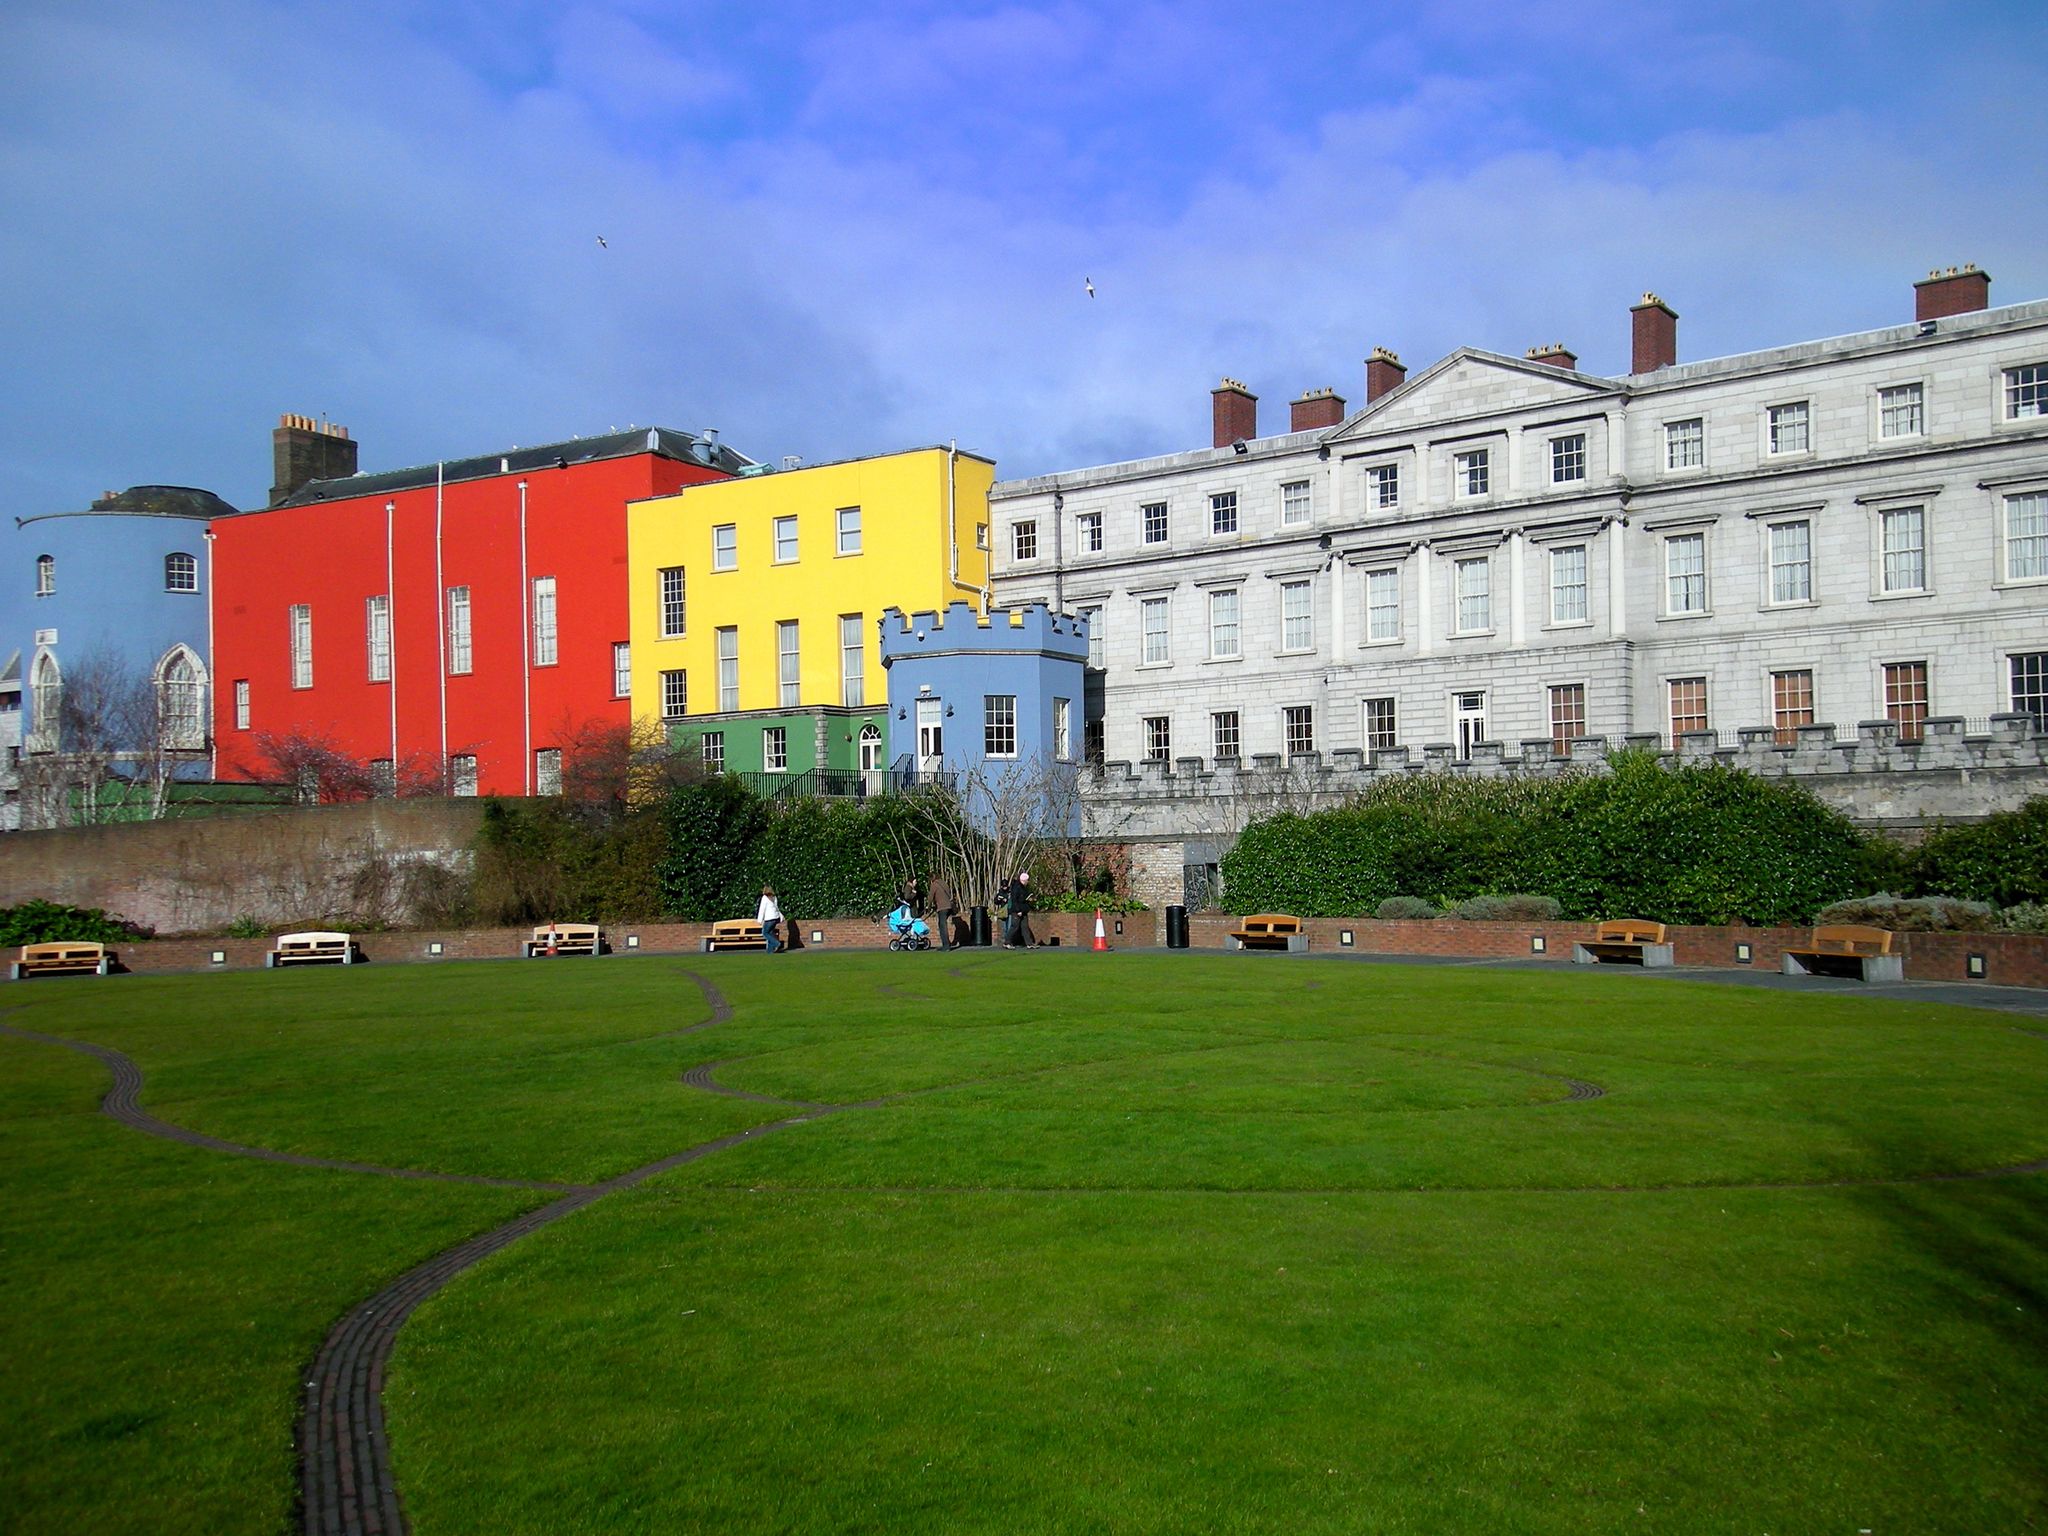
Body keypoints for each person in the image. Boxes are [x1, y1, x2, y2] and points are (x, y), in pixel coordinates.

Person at [926, 868, 958, 951]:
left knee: (942, 926)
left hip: (942, 907)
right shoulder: (944, 883)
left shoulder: (934, 884)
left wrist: (929, 907)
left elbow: (930, 897)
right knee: (942, 924)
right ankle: (946, 944)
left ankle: (946, 945)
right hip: (948, 907)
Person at [1003, 870, 1034, 949]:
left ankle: (1029, 943)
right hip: (1017, 911)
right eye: (1027, 880)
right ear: (1023, 880)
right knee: (1014, 927)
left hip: (1023, 910)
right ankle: (1007, 942)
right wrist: (1018, 910)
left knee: (1025, 927)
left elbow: (1023, 898)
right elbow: (1015, 900)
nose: (1028, 882)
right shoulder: (1017, 887)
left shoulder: (1023, 888)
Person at [757, 884, 783, 954]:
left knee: (765, 933)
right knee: (770, 933)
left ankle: (777, 943)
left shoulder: (765, 898)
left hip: (769, 919)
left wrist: (759, 920)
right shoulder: (774, 897)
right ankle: (770, 951)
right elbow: (776, 907)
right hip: (775, 918)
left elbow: (762, 909)